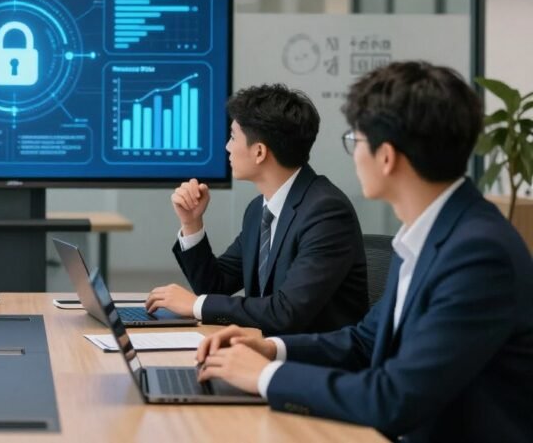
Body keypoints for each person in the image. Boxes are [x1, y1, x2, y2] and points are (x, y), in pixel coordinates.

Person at [196, 62, 533, 443]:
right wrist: (269, 347)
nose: (353, 156)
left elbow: (395, 397)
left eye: (355, 141)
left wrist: (263, 376)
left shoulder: (478, 254)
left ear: (386, 157)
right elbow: (364, 341)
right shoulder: (431, 233)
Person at [146, 84, 368, 334]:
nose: (227, 147)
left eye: (232, 137)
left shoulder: (326, 212)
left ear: (259, 151)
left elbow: (286, 312)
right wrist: (192, 223)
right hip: (262, 352)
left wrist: (195, 305)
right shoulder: (259, 209)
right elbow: (215, 286)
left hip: (312, 364)